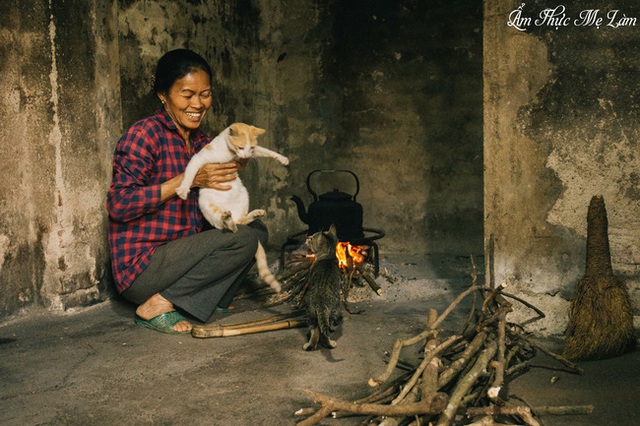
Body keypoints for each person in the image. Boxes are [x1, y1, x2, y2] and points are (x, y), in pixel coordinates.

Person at [107, 49, 267, 334]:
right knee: (243, 238)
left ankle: (208, 299)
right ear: (163, 95)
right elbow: (119, 205)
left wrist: (235, 163)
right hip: (144, 266)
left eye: (205, 94)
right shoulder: (144, 135)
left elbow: (213, 204)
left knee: (256, 230)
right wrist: (188, 180)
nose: (198, 103)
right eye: (187, 94)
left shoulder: (202, 141)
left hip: (181, 258)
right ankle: (156, 304)